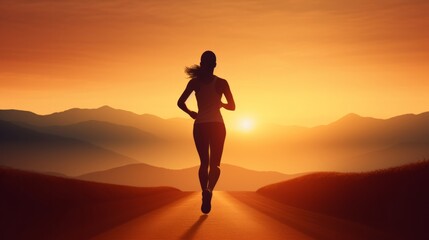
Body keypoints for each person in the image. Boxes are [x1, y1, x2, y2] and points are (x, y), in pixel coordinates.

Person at [177, 51, 235, 214]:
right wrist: (221, 104)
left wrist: (191, 113)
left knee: (204, 162)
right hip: (217, 125)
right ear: (215, 65)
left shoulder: (194, 83)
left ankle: (204, 190)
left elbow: (180, 102)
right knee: (215, 164)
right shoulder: (222, 83)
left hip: (200, 125)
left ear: (202, 64)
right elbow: (233, 106)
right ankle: (209, 189)